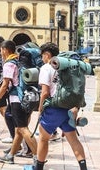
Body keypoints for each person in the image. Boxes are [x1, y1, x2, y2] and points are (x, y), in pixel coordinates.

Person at [34, 42, 87, 170]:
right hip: (68, 108)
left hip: (53, 108)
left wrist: (40, 109)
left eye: (42, 56)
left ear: (47, 55)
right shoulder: (66, 67)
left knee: (43, 138)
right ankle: (83, 167)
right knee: (74, 140)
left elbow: (45, 92)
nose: (42, 59)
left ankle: (39, 167)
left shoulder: (46, 68)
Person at [0, 40, 37, 164]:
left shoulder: (9, 64)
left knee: (22, 129)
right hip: (25, 98)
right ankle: (10, 156)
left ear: (5, 49)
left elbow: (5, 85)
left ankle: (39, 157)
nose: (0, 52)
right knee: (18, 130)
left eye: (1, 49)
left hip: (17, 100)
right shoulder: (19, 61)